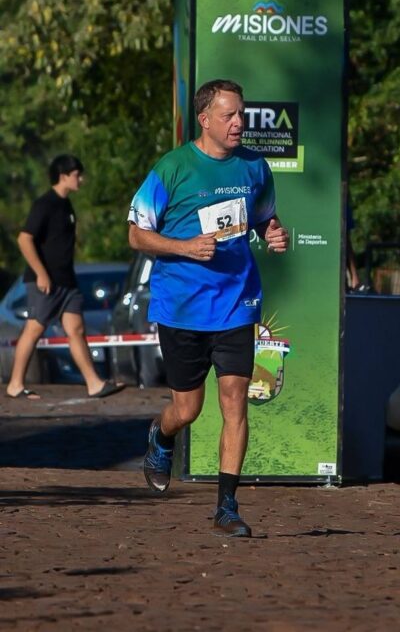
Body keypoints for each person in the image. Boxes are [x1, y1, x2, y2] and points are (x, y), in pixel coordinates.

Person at [128, 79, 289, 538]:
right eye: (229, 115)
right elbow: (137, 235)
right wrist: (182, 247)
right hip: (182, 306)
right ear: (204, 119)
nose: (239, 123)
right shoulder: (173, 169)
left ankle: (228, 507)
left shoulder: (255, 167)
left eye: (241, 114)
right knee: (188, 409)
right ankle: (161, 435)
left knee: (236, 401)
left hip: (238, 302)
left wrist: (275, 234)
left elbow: (264, 219)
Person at [6, 154, 125, 401]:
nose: (80, 179)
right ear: (63, 176)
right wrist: (41, 274)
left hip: (67, 281)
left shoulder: (66, 205)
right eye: (76, 175)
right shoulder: (45, 204)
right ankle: (15, 384)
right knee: (34, 328)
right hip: (46, 282)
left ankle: (94, 383)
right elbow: (24, 238)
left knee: (76, 329)